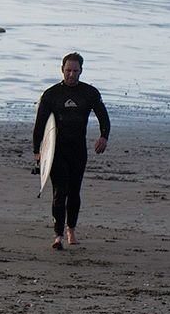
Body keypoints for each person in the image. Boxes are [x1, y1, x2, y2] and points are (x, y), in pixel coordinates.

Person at [32, 52, 111, 250]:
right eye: (68, 71)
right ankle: (58, 234)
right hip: (56, 151)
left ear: (81, 71)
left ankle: (71, 230)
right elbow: (40, 124)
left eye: (75, 71)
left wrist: (104, 136)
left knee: (74, 192)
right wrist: (37, 151)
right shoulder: (51, 94)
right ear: (62, 70)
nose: (72, 75)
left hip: (78, 149)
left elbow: (104, 117)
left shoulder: (89, 93)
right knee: (59, 191)